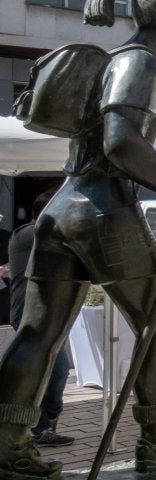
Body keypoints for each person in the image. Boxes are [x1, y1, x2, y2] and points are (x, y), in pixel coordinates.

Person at [0, 0, 156, 480]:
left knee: (39, 332)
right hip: (104, 212)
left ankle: (6, 447)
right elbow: (122, 143)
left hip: (64, 210)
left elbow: (113, 146)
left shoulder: (120, 60)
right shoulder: (141, 62)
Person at [9, 191, 74, 447]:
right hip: (30, 316)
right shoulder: (29, 234)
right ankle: (40, 425)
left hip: (50, 314)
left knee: (54, 372)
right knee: (54, 371)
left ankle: (43, 424)